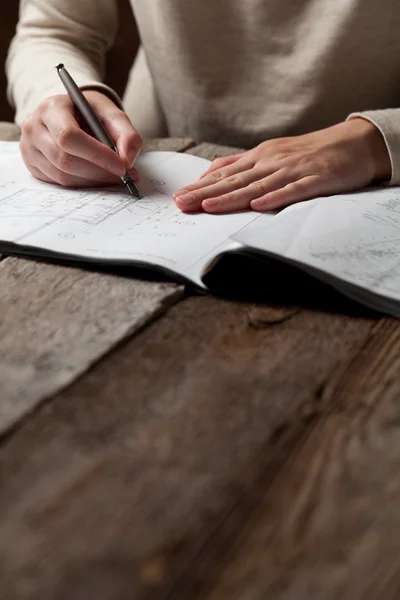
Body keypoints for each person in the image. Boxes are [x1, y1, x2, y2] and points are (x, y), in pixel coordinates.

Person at [6, 1, 398, 215]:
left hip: (374, 181)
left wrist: (376, 141)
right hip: (153, 160)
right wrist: (53, 104)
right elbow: (55, 30)